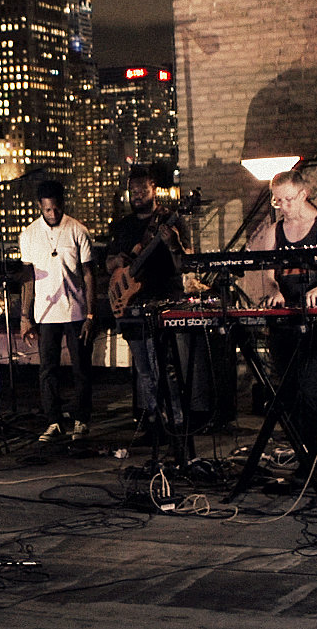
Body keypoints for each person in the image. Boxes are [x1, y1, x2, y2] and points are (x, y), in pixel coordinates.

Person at [248, 168, 317, 486]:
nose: (283, 207)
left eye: (288, 200)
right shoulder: (276, 230)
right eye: (278, 201)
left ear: (303, 194)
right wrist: (274, 290)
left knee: (311, 391)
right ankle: (302, 459)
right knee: (286, 393)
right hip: (285, 318)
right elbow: (268, 271)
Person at [106, 165, 193, 449]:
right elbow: (108, 264)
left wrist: (174, 244)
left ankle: (178, 423)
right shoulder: (121, 226)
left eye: (143, 189)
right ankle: (156, 422)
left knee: (166, 366)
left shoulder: (170, 220)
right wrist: (118, 262)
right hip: (132, 304)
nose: (138, 195)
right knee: (144, 369)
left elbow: (186, 263)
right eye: (133, 190)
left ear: (154, 188)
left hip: (164, 298)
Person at [19, 180, 96, 442]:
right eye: (48, 210)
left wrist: (90, 314)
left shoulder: (78, 230)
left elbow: (88, 275)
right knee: (48, 369)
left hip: (76, 311)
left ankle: (81, 420)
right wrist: (25, 316)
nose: (53, 214)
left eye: (56, 209)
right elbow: (28, 277)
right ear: (39, 207)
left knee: (81, 368)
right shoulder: (28, 234)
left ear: (63, 204)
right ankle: (53, 421)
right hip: (45, 312)